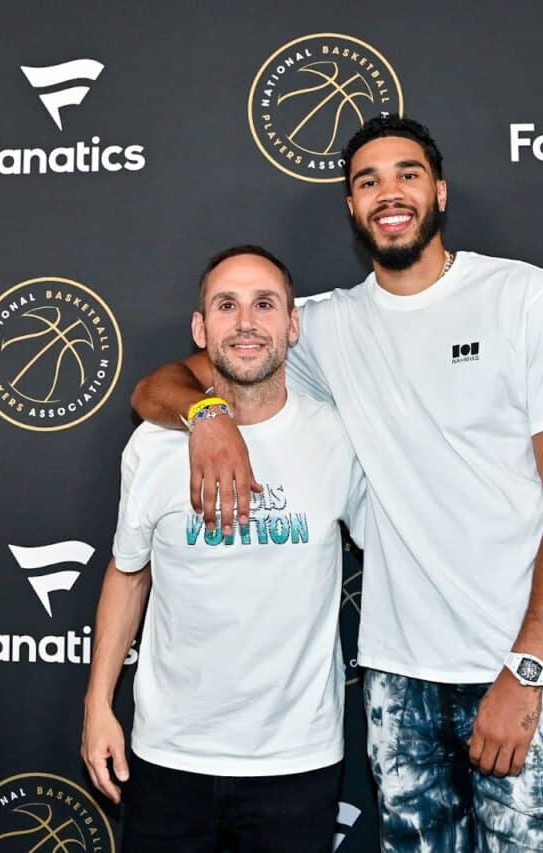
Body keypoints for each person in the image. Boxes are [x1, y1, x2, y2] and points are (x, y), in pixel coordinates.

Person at [131, 116, 543, 851]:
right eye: (368, 181)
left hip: (524, 666)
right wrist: (205, 417)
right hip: (401, 675)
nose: (389, 192)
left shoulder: (525, 299)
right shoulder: (318, 327)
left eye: (407, 174)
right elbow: (158, 385)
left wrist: (526, 668)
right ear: (353, 209)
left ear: (440, 192)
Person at [81, 245, 365, 852]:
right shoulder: (154, 447)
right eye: (226, 305)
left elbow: (400, 553)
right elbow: (128, 576)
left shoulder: (338, 438)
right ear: (199, 327)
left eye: (264, 305)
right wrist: (98, 704)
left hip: (297, 761)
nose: (245, 323)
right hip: (166, 758)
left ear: (291, 325)